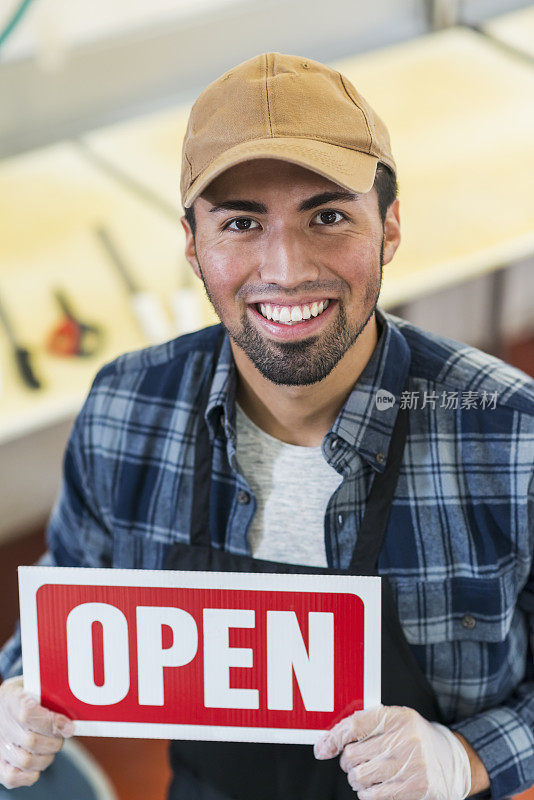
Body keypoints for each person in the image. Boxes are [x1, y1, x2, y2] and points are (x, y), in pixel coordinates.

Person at [0, 52, 532, 800]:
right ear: (191, 245)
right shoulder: (127, 412)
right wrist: (19, 687)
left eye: (328, 216)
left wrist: (465, 759)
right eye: (242, 222)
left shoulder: (509, 436)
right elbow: (69, 590)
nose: (285, 269)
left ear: (391, 228)